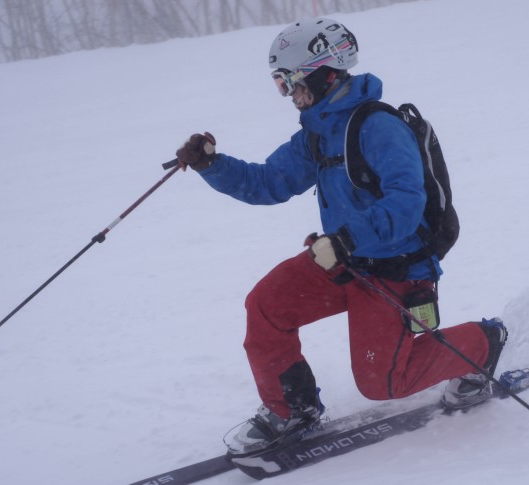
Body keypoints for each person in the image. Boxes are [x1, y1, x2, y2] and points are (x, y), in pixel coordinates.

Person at [175, 17, 508, 456]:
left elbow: (406, 203)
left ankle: (484, 344)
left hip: (397, 269)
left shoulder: (379, 127)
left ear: (324, 73)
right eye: (281, 85)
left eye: (289, 82)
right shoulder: (317, 133)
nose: (288, 94)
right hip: (344, 260)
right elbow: (269, 182)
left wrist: (347, 239)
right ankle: (292, 409)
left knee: (386, 383)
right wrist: (211, 165)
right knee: (267, 304)